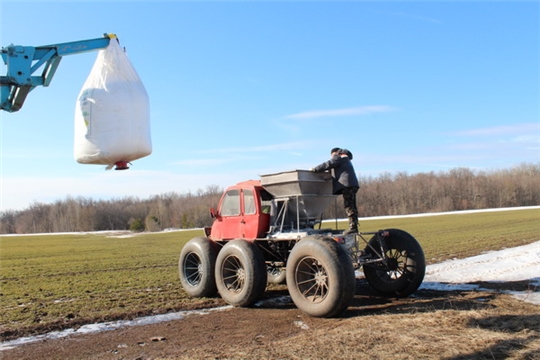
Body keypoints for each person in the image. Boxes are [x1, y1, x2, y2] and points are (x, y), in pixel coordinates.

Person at [312, 147, 360, 234]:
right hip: (352, 184)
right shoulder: (346, 159)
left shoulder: (338, 157)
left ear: (334, 153)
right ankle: (354, 226)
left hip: (347, 184)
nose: (332, 157)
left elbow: (328, 164)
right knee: (352, 205)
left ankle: (353, 227)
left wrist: (315, 169)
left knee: (349, 206)